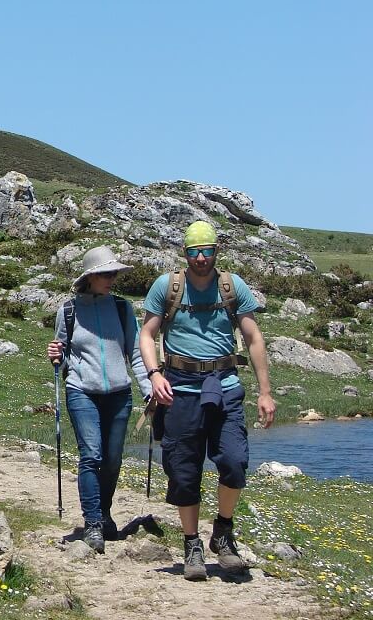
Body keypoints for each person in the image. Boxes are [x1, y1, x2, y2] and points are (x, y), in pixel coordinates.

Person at [139, 220, 275, 580]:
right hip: (178, 388)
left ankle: (223, 532)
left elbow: (254, 338)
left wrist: (265, 392)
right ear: (185, 253)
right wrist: (154, 376)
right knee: (184, 472)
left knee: (234, 461)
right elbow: (148, 333)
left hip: (225, 386)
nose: (201, 258)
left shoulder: (233, 287)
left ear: (217, 251)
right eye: (194, 252)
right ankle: (191, 545)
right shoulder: (166, 287)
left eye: (207, 251)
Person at [47, 245, 151, 554]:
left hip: (119, 393)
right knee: (91, 455)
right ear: (90, 277)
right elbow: (62, 354)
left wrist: (148, 389)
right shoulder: (69, 310)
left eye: (114, 273)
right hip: (81, 392)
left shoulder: (122, 308)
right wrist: (57, 356)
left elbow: (135, 352)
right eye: (105, 274)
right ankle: (92, 522)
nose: (111, 278)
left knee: (113, 458)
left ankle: (104, 514)